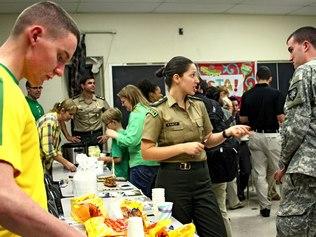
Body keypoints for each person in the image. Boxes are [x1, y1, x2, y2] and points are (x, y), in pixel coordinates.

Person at [0, 1, 85, 236]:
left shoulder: (10, 89)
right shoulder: (1, 88)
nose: (59, 71)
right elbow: (2, 195)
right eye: (60, 56)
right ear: (35, 36)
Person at [141, 56, 250, 237]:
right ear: (177, 78)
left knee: (216, 232)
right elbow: (147, 152)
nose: (197, 80)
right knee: (178, 233)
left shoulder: (199, 106)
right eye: (192, 75)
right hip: (174, 179)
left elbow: (207, 140)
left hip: (202, 178)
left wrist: (226, 133)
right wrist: (183, 148)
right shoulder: (158, 110)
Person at [274, 26, 316, 237]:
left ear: (305, 45)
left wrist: (283, 164)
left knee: (292, 226)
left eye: (291, 50)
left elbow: (296, 125)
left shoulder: (305, 72)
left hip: (307, 169)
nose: (290, 57)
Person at [239, 66, 285, 217]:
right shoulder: (277, 94)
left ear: (256, 77)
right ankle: (285, 206)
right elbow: (281, 118)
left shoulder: (247, 94)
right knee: (279, 171)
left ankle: (264, 208)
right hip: (273, 137)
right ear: (270, 78)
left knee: (259, 173)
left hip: (255, 136)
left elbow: (243, 119)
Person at [106, 85, 159, 198]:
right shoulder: (147, 110)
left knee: (137, 200)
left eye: (124, 101)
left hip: (141, 164)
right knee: (150, 199)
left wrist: (115, 134)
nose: (123, 104)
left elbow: (131, 140)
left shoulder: (136, 114)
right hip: (154, 162)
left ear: (130, 98)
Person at [61, 73, 110, 149]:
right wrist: (68, 136)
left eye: (94, 83)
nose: (93, 85)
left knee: (97, 159)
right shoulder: (74, 101)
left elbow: (111, 117)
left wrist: (107, 135)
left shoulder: (101, 101)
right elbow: (61, 117)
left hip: (96, 135)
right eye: (90, 83)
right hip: (80, 136)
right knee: (80, 159)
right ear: (83, 86)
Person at [38, 99, 77, 174]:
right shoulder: (49, 122)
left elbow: (54, 146)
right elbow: (48, 150)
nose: (72, 117)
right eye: (70, 114)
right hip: (37, 164)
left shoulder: (57, 120)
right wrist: (66, 163)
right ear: (62, 111)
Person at [99, 107, 129, 180]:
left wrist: (101, 159)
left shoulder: (116, 137)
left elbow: (118, 159)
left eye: (107, 125)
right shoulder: (125, 133)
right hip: (126, 172)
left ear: (114, 122)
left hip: (119, 174)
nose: (107, 127)